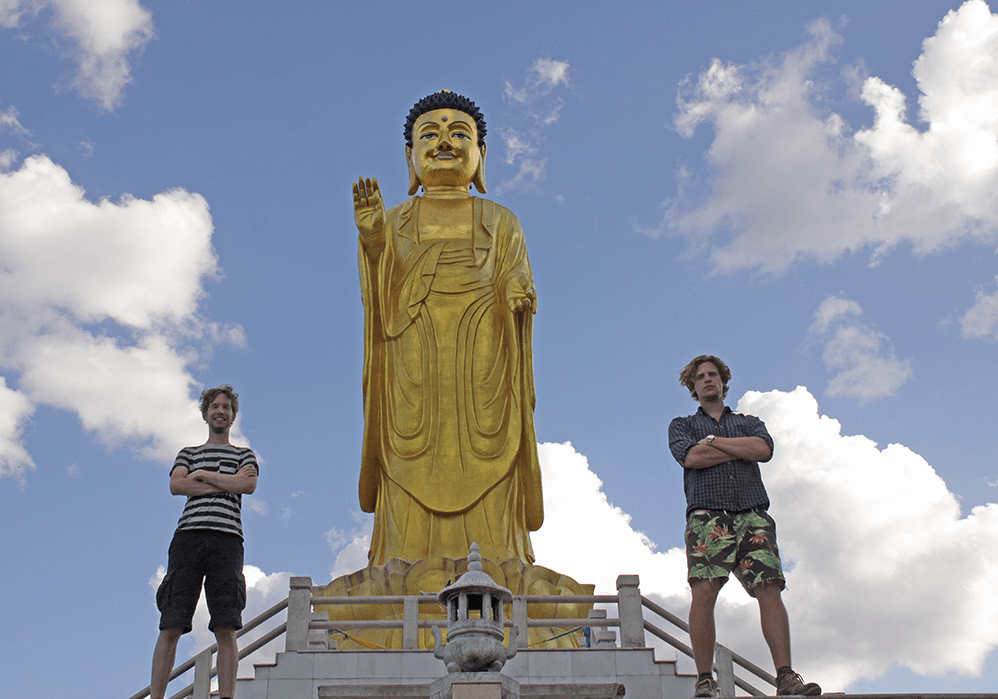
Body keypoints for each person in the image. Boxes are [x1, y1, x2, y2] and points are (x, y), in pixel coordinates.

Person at [352, 90, 541, 566]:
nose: (444, 143)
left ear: (481, 156)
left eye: (460, 134)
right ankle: (401, 561)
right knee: (406, 447)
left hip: (484, 356)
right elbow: (379, 300)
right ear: (410, 159)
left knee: (492, 445)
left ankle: (501, 562)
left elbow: (516, 272)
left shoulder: (501, 220)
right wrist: (375, 239)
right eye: (429, 135)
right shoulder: (394, 220)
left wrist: (517, 291)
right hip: (412, 357)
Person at [668, 356, 820, 698]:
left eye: (713, 375)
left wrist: (712, 443)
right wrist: (737, 451)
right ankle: (705, 679)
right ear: (692, 386)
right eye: (700, 377)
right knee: (704, 591)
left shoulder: (750, 421)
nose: (708, 380)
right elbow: (691, 458)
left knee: (769, 590)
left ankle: (785, 678)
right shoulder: (681, 425)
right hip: (707, 516)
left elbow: (763, 449)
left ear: (723, 381)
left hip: (753, 514)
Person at [150, 386, 258, 699]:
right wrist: (224, 482)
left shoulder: (244, 454)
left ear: (233, 416)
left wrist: (203, 476)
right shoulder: (188, 452)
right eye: (214, 406)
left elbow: (248, 484)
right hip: (188, 538)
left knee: (226, 624)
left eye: (226, 407)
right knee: (171, 623)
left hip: (228, 540)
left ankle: (226, 696)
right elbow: (177, 485)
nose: (220, 411)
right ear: (206, 413)